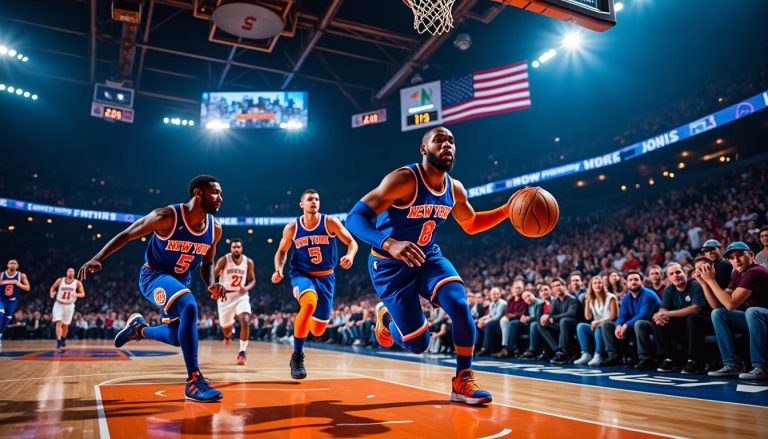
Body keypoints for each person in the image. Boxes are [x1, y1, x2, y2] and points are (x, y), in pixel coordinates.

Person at [346, 126, 515, 405]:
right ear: (424, 149)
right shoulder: (403, 179)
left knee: (460, 305)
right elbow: (354, 218)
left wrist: (506, 210)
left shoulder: (455, 188)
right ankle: (386, 318)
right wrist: (389, 243)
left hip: (427, 258)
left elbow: (471, 223)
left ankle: (462, 381)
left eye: (451, 141)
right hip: (390, 266)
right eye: (439, 140)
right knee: (418, 345)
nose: (447, 144)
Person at [79, 175, 226, 402]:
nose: (220, 198)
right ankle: (194, 381)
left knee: (177, 337)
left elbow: (207, 263)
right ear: (198, 193)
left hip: (180, 280)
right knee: (188, 305)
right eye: (215, 192)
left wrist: (212, 283)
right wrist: (98, 258)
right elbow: (128, 233)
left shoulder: (215, 228)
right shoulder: (167, 217)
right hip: (154, 276)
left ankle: (138, 330)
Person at [273, 189, 358, 379]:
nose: (314, 202)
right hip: (301, 274)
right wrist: (278, 269)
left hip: (326, 277)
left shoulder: (329, 222)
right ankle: (297, 356)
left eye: (317, 199)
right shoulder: (292, 227)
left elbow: (352, 243)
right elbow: (281, 251)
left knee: (318, 330)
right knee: (309, 302)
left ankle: (303, 323)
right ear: (301, 204)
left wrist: (349, 256)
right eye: (310, 199)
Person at [699, 242, 768, 380]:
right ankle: (732, 364)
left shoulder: (756, 271)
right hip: (756, 319)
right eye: (731, 258)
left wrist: (712, 280)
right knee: (718, 314)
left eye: (739, 256)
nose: (736, 260)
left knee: (752, 311)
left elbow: (731, 304)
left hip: (760, 316)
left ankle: (761, 367)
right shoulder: (737, 273)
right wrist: (704, 283)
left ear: (751, 255)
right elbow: (716, 305)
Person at [651, 263, 710, 374]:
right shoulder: (669, 289)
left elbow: (696, 309)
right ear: (668, 278)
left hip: (701, 323)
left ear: (684, 273)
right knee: (656, 321)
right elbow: (663, 309)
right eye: (672, 274)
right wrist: (659, 316)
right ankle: (668, 358)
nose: (676, 275)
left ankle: (693, 360)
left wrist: (668, 313)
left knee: (691, 318)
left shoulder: (695, 285)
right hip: (682, 325)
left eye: (678, 272)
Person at [601, 270, 661, 368]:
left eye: (636, 279)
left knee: (639, 323)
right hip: (634, 327)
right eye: (630, 280)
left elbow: (643, 315)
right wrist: (618, 325)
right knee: (606, 325)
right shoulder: (626, 297)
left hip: (651, 327)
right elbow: (622, 316)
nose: (633, 282)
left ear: (641, 281)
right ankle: (614, 357)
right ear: (626, 283)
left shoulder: (649, 295)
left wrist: (626, 325)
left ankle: (645, 358)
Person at [215, 238, 256, 365]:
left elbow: (253, 280)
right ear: (230, 248)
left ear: (241, 248)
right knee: (225, 329)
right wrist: (214, 287)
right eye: (234, 247)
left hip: (240, 295)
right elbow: (213, 275)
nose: (236, 249)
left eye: (238, 247)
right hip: (225, 297)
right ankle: (228, 335)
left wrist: (246, 288)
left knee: (244, 320)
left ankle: (242, 352)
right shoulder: (223, 260)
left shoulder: (248, 262)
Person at [574, 276, 618, 366]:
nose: (598, 285)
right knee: (580, 326)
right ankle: (586, 354)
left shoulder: (611, 297)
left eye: (599, 283)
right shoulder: (592, 299)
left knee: (599, 327)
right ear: (591, 286)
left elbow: (614, 316)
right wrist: (587, 302)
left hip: (610, 326)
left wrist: (600, 323)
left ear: (603, 284)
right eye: (595, 283)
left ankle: (598, 355)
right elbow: (588, 317)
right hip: (597, 326)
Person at [49, 268, 86, 348]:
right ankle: (58, 341)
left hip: (69, 305)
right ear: (66, 272)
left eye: (72, 271)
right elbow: (52, 287)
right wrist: (51, 293)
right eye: (69, 271)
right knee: (59, 322)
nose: (71, 273)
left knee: (65, 325)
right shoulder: (60, 280)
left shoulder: (77, 283)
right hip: (59, 303)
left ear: (74, 273)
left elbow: (83, 294)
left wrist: (76, 294)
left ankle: (63, 338)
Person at [0, 259, 31, 345]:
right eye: (11, 263)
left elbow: (28, 288)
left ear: (17, 266)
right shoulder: (2, 275)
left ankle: (0, 334)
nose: (13, 265)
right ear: (7, 265)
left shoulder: (21, 275)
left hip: (11, 301)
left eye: (14, 263)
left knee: (7, 319)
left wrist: (18, 284)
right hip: (1, 299)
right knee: (0, 313)